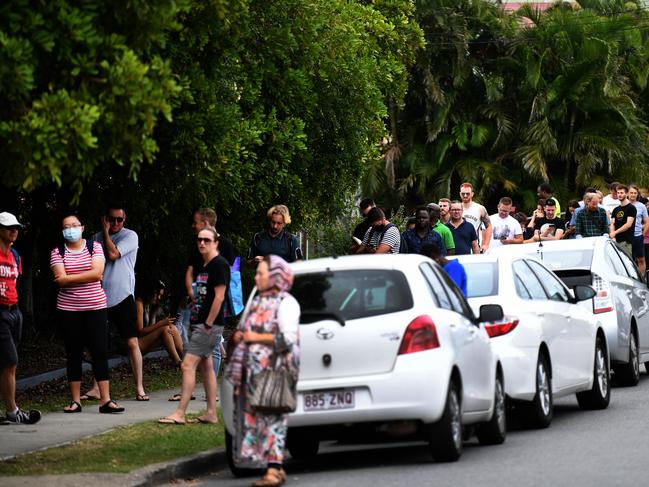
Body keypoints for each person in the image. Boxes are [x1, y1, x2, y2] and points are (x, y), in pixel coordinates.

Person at [226, 255, 300, 487]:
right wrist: (240, 336)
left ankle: (273, 470)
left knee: (274, 418)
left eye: (261, 273)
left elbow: (287, 339)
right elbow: (246, 329)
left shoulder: (285, 302)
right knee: (260, 421)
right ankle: (274, 467)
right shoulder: (258, 302)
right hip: (252, 373)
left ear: (275, 275)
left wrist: (254, 337)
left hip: (274, 372)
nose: (256, 277)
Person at [50, 213, 124, 414]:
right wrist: (88, 276)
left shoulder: (95, 246)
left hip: (96, 308)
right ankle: (75, 401)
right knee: (73, 353)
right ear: (62, 230)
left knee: (100, 351)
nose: (71, 229)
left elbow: (97, 273)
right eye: (66, 226)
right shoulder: (57, 252)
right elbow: (62, 278)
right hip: (68, 310)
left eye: (74, 225)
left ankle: (105, 400)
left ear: (82, 227)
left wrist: (69, 278)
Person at [159, 227, 229, 425]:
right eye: (199, 240)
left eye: (207, 240)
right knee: (206, 368)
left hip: (209, 326)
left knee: (188, 365)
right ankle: (211, 413)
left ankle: (180, 413)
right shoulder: (205, 266)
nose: (202, 243)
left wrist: (207, 324)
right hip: (200, 324)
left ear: (215, 243)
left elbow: (220, 297)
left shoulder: (219, 265)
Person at [83, 205, 146, 402]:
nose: (116, 223)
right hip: (100, 297)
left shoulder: (130, 236)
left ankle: (140, 388)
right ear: (106, 218)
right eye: (112, 219)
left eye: (120, 219)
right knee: (99, 343)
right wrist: (101, 233)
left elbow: (112, 254)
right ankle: (95, 388)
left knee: (131, 341)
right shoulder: (95, 238)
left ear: (125, 220)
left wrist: (105, 232)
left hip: (123, 295)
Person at [185, 208, 235, 383]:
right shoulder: (197, 244)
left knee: (212, 346)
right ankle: (204, 386)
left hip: (214, 301)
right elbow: (190, 268)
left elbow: (226, 277)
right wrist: (191, 291)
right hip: (197, 300)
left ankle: (210, 388)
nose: (193, 226)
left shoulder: (226, 246)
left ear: (205, 223)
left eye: (196, 222)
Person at [0, 212, 40, 424]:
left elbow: (16, 282)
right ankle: (13, 411)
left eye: (15, 227)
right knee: (10, 361)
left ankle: (8, 410)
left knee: (6, 363)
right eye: (8, 227)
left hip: (14, 311)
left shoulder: (15, 255)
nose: (13, 231)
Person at [135, 280, 184, 366]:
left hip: (145, 341)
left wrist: (154, 315)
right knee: (165, 329)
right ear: (150, 292)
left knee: (171, 327)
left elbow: (151, 329)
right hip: (135, 344)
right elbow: (140, 332)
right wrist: (161, 324)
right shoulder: (139, 303)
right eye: (157, 294)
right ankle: (178, 362)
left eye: (160, 295)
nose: (159, 298)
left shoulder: (150, 305)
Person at [459, 182, 491, 252]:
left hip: (475, 247)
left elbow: (488, 226)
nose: (465, 196)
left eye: (467, 193)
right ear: (460, 193)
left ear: (472, 194)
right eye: (463, 193)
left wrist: (486, 244)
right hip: (459, 245)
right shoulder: (456, 208)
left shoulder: (480, 208)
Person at [610, 185, 637, 257]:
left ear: (627, 194)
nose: (619, 195)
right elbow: (612, 223)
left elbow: (628, 224)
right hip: (616, 241)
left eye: (622, 193)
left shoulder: (631, 208)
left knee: (627, 263)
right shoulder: (615, 209)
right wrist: (613, 236)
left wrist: (615, 232)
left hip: (626, 241)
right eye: (618, 193)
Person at [628, 185, 649, 274]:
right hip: (626, 238)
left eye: (635, 193)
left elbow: (647, 221)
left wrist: (643, 234)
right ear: (627, 193)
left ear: (637, 194)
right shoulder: (622, 205)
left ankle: (642, 279)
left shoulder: (641, 206)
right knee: (628, 261)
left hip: (638, 236)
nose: (633, 195)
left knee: (641, 259)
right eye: (631, 192)